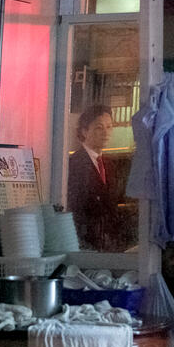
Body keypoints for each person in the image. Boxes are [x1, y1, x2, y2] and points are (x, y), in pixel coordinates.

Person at [68, 104, 126, 251]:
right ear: (84, 131)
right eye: (99, 128)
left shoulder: (110, 165)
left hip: (109, 243)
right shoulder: (74, 163)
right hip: (85, 242)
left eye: (109, 127)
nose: (106, 133)